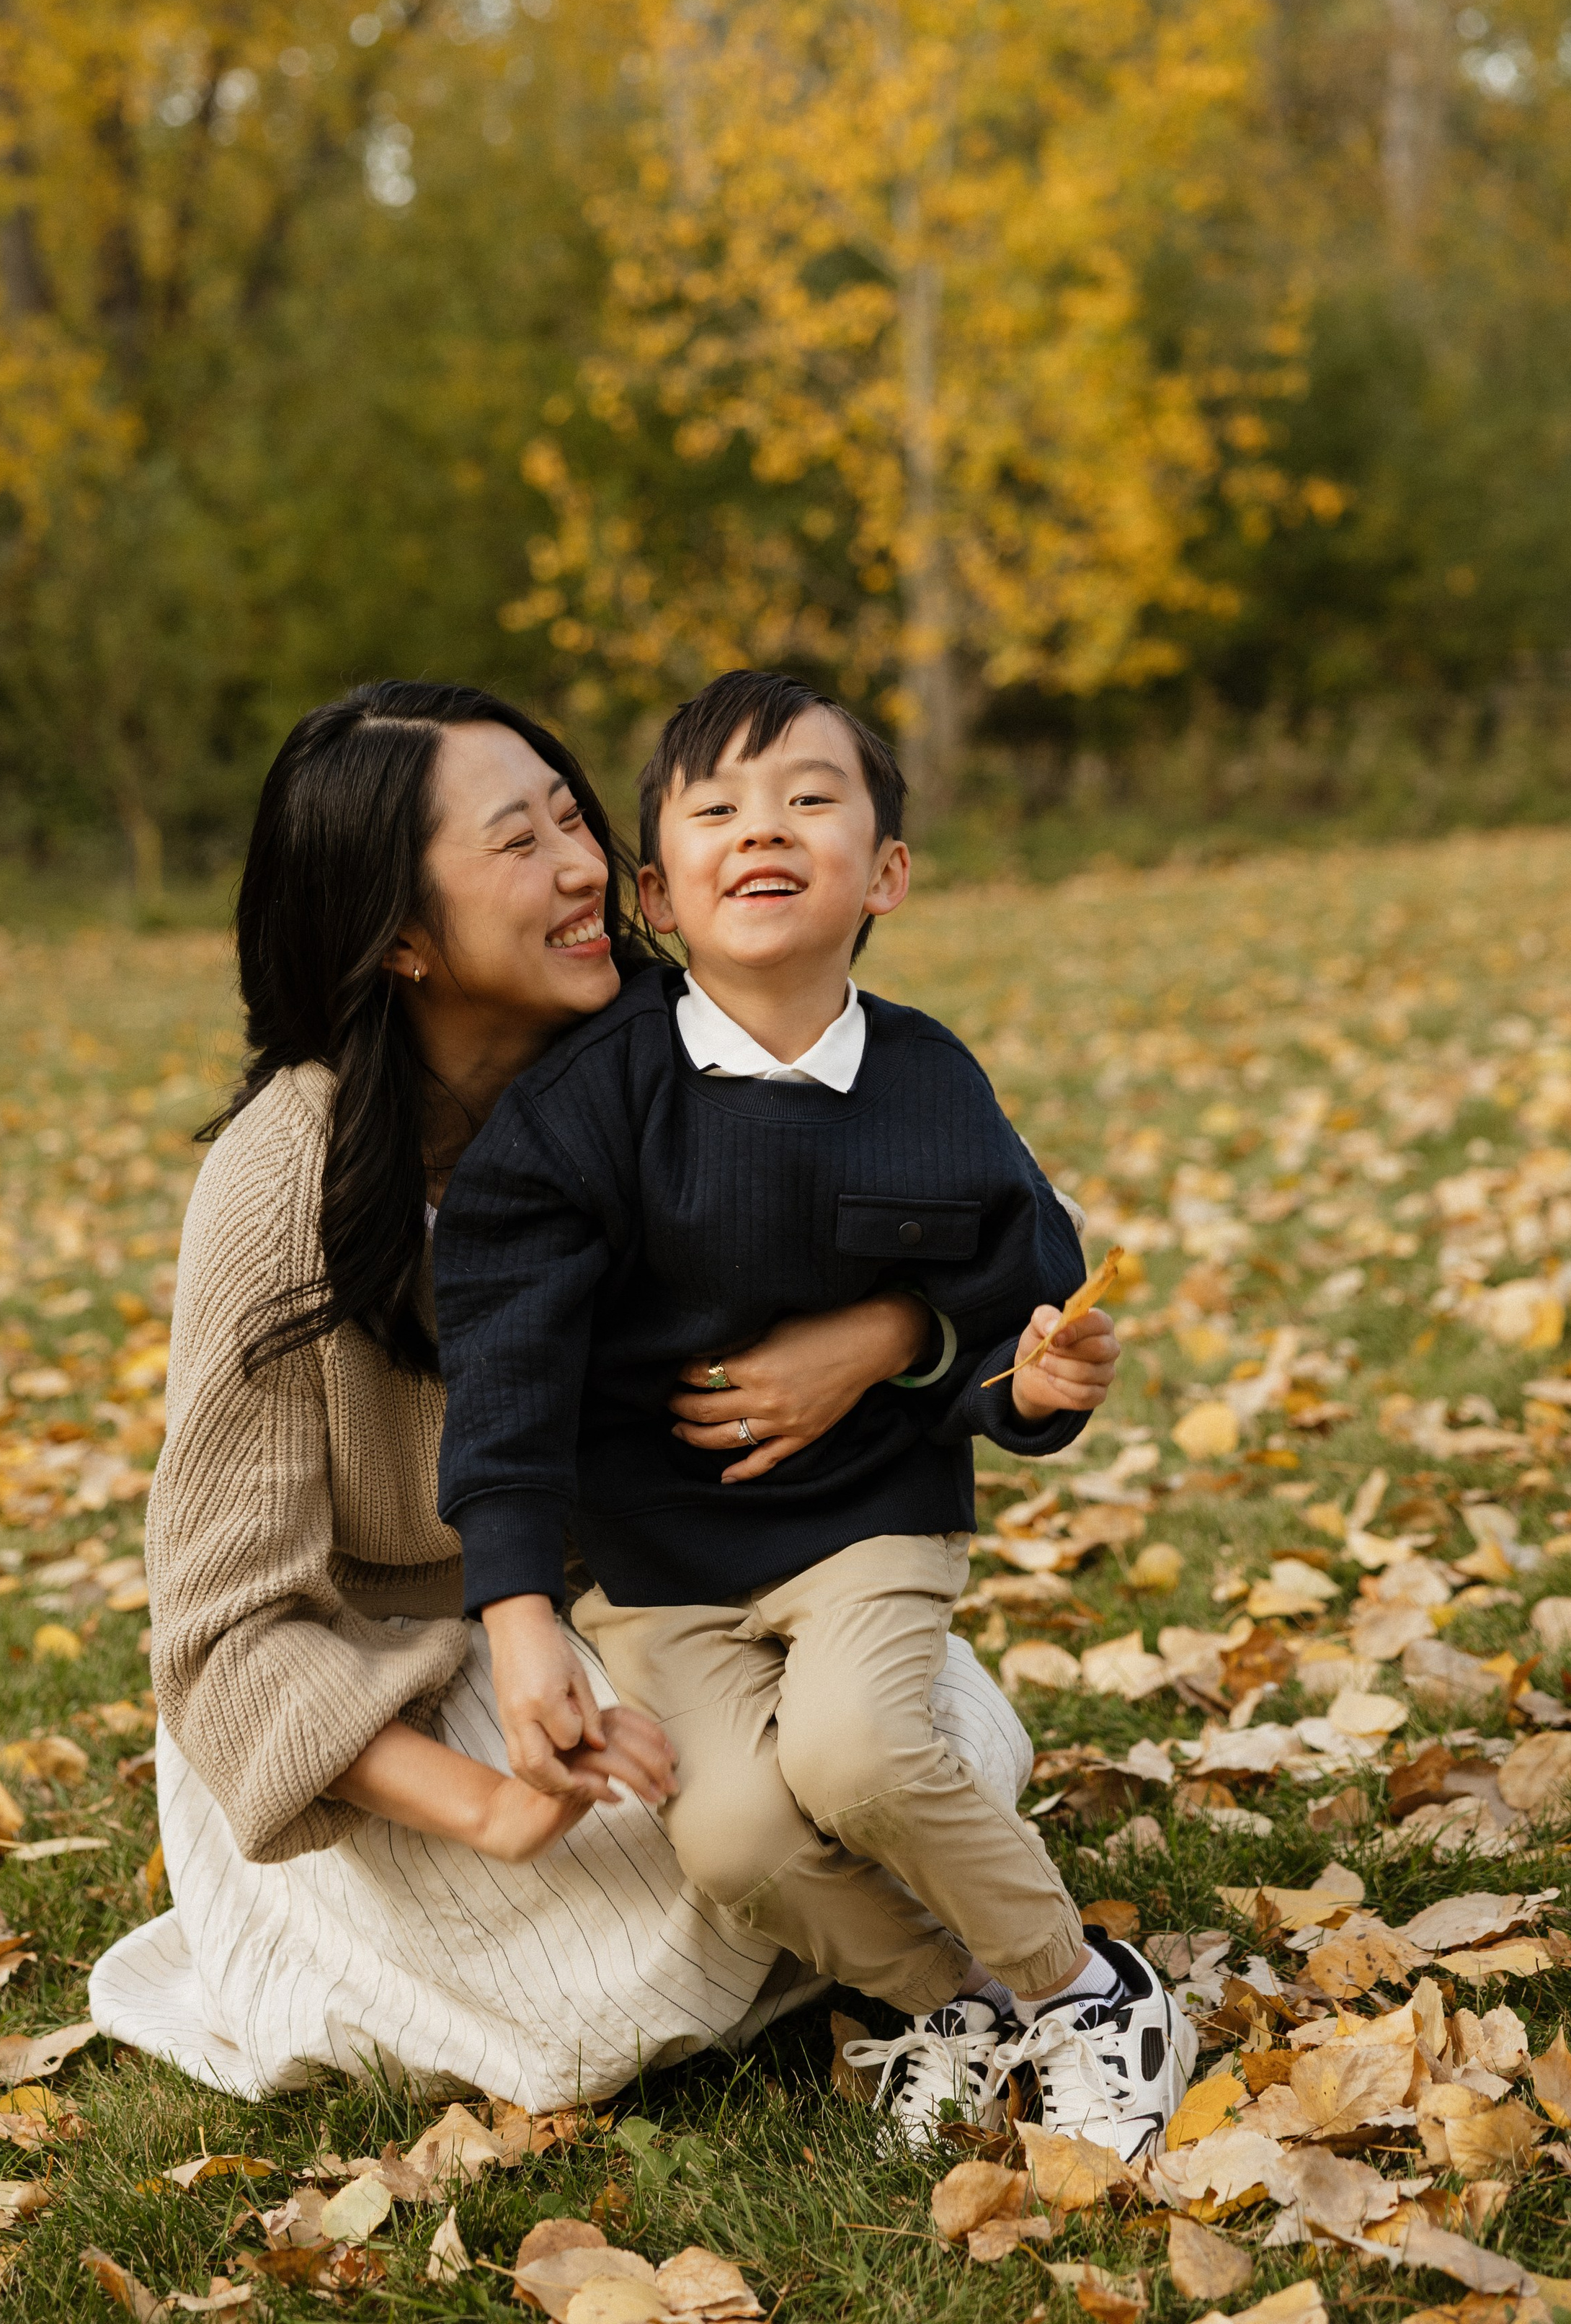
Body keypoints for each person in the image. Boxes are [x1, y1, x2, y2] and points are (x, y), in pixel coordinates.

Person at [90, 677, 1078, 2108]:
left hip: (674, 1588)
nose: (578, 870)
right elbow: (224, 1633)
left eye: (571, 812)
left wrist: (883, 1334)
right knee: (670, 1862)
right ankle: (865, 1968)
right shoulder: (281, 1178)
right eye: (515, 841)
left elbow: (1000, 1207)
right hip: (403, 1697)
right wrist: (488, 1806)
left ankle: (940, 1967)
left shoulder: (675, 1037)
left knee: (911, 1754)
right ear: (400, 934)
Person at [434, 670, 1191, 2155]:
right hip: (655, 1558)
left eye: (805, 799)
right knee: (730, 1837)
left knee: (856, 1755)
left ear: (884, 874)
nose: (758, 829)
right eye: (714, 808)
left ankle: (1089, 1991)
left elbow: (1012, 1297)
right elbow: (507, 1373)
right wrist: (516, 1596)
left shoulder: (927, 1083)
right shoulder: (584, 1109)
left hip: (867, 1516)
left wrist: (1026, 1389)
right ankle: (953, 1998)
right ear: (658, 884)